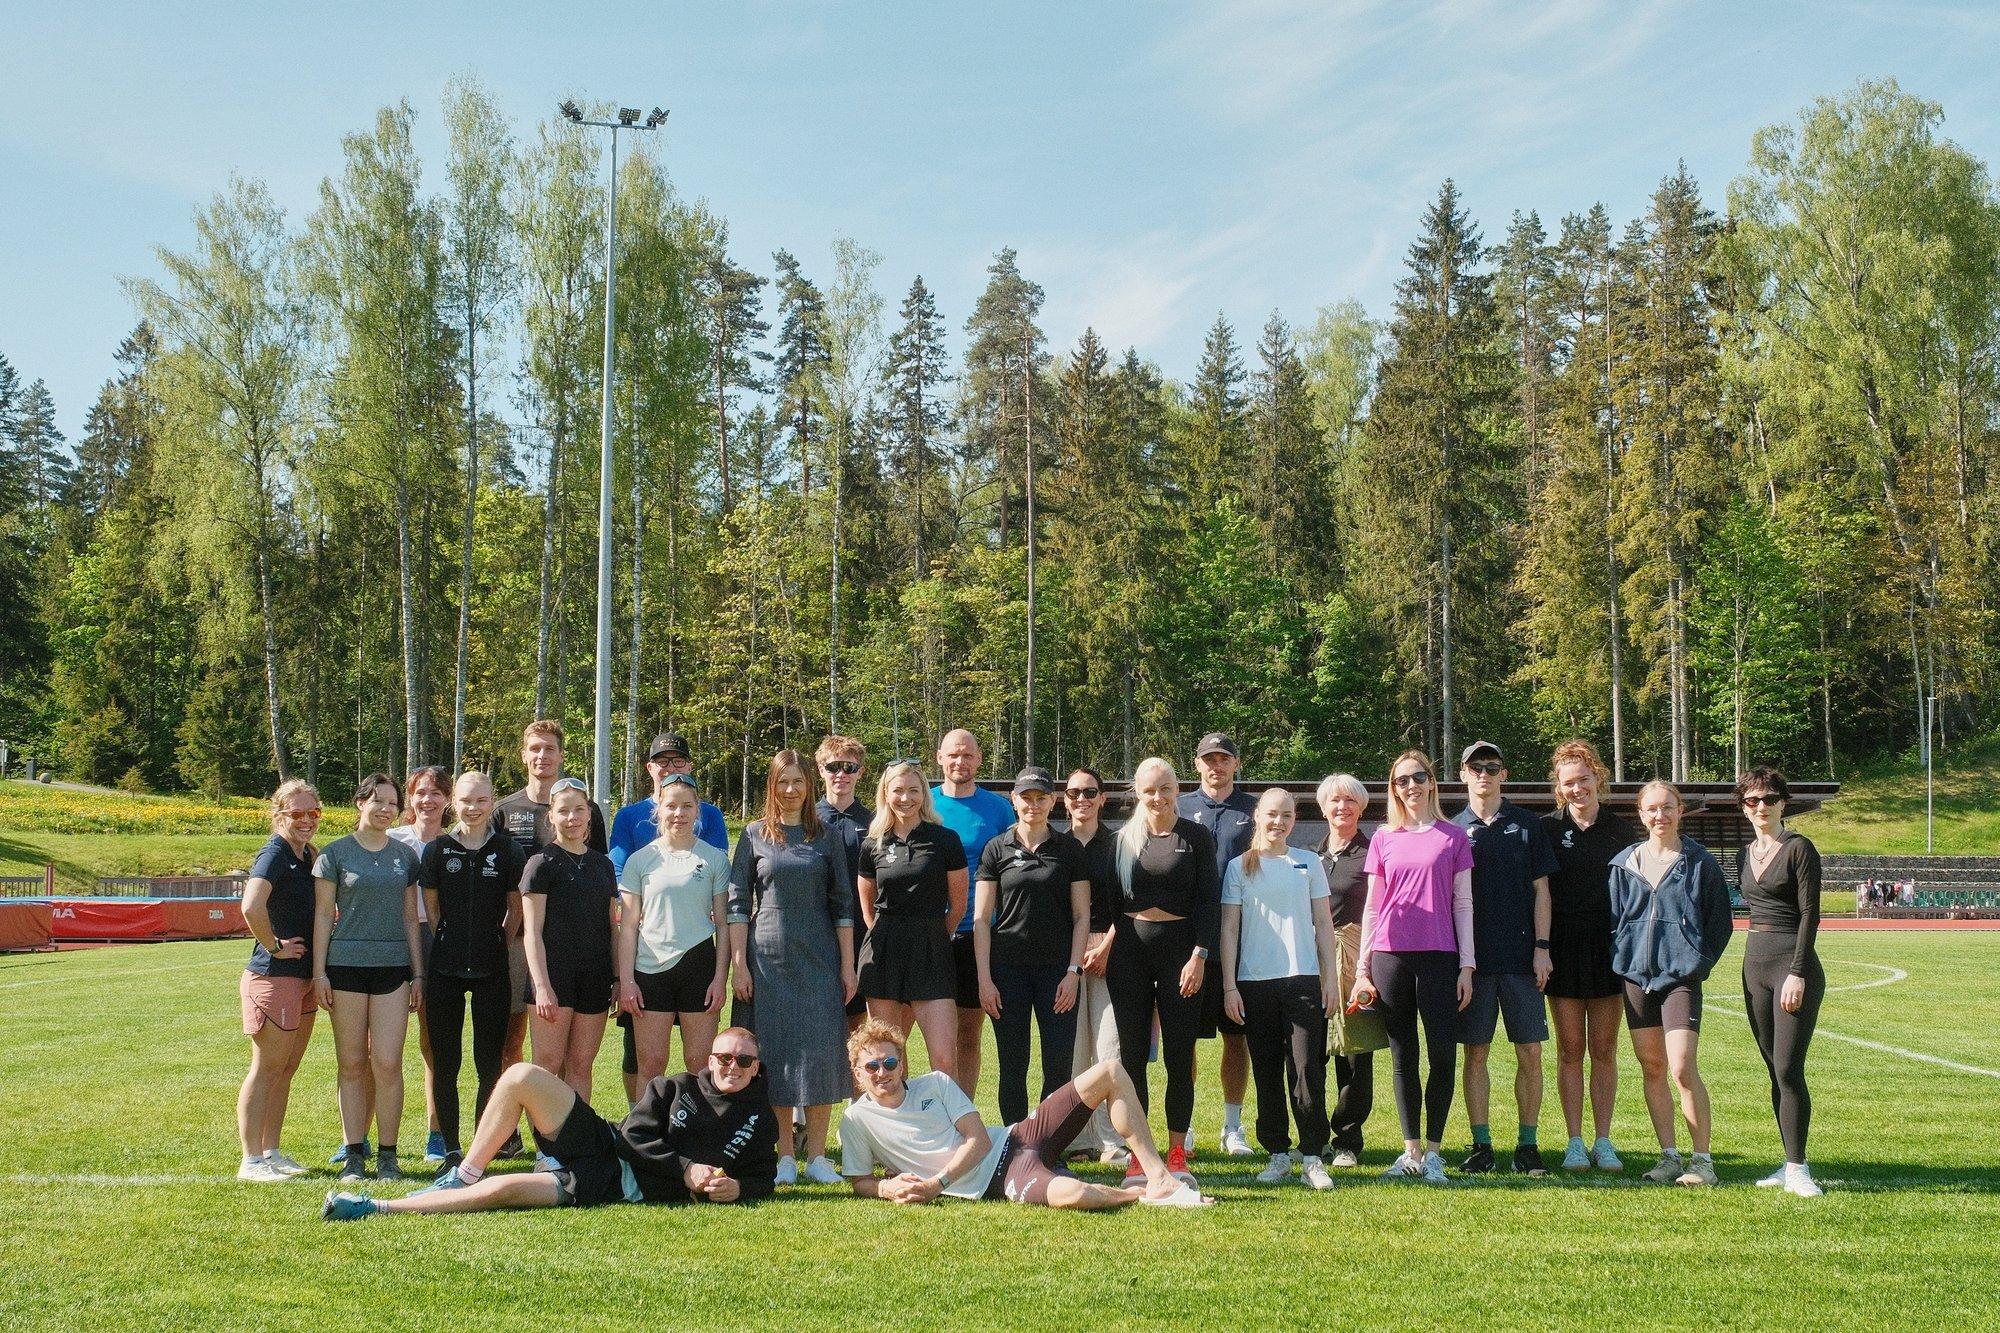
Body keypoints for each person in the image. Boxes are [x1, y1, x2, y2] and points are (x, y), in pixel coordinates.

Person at [321, 1027, 777, 1219]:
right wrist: (684, 1168)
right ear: (709, 1057)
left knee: (504, 1193)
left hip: (612, 1183)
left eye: (743, 1060)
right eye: (723, 1056)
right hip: (606, 1143)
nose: (730, 1066)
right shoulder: (673, 1086)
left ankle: (373, 1208)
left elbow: (764, 1176)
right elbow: (635, 1136)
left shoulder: (759, 1120)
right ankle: (462, 1173)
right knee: (522, 1075)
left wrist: (741, 1189)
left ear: (756, 1067)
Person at [841, 1018, 1210, 1208]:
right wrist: (887, 1188)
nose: (882, 1072)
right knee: (1076, 1196)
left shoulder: (935, 1084)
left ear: (901, 1063)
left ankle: (1158, 1177)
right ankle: (1139, 1195)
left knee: (1110, 1071)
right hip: (1002, 1179)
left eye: (890, 1062)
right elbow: (859, 1180)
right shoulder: (856, 1120)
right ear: (857, 1075)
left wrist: (937, 1184)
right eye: (871, 1066)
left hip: (1017, 1137)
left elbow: (980, 1140)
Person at [728, 749, 857, 1186]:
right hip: (767, 959)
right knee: (777, 1054)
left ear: (809, 786)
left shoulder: (827, 836)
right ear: (771, 785)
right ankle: (784, 1155)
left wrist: (848, 965)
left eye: (797, 782)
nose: (790, 790)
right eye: (782, 782)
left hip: (820, 956)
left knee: (821, 1051)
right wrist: (739, 965)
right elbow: (738, 905)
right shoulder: (753, 835)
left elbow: (843, 906)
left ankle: (818, 1156)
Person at [1346, 750, 1474, 1186]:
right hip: (1390, 958)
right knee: (1403, 1057)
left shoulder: (1453, 837)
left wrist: (1467, 965)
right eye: (1402, 780)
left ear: (1432, 782)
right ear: (1394, 788)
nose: (1411, 786)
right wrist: (1363, 967)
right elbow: (1373, 907)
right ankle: (1411, 1151)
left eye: (1418, 777)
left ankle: (1435, 1153)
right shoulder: (1383, 838)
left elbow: (1463, 902)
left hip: (1441, 958)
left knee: (1442, 1054)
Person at [1607, 780, 1733, 1187]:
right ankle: (1668, 1156)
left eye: (1667, 807)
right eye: (1651, 809)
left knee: (1681, 1067)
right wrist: (1624, 955)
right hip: (1636, 978)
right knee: (1653, 1067)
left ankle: (1703, 1161)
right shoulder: (1623, 864)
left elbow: (1719, 922)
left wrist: (1696, 960)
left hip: (1680, 978)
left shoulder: (1699, 863)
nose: (1660, 815)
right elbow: (1615, 920)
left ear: (1680, 811)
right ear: (1641, 815)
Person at [1105, 756, 1218, 1186]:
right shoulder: (1121, 841)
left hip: (1182, 956)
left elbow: (1209, 899)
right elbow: (1113, 905)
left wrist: (1199, 955)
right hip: (1130, 957)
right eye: (1150, 789)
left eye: (1166, 788)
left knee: (1177, 1055)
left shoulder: (1196, 836)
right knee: (1132, 1059)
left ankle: (1176, 1150)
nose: (1158, 797)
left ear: (1177, 788)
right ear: (1137, 791)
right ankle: (1140, 1153)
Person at [495, 719, 609, 1143]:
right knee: (515, 1043)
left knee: (574, 1059)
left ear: (561, 755)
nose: (542, 756)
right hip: (518, 939)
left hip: (580, 950)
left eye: (550, 749)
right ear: (524, 755)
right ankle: (514, 1134)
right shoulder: (505, 811)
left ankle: (573, 1139)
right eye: (535, 749)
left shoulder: (587, 814)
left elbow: (596, 884)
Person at [1220, 788, 1338, 1189]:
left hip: (1303, 981)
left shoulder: (1308, 863)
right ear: (1258, 816)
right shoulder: (1239, 867)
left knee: (1306, 1068)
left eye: (1286, 815)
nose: (1279, 822)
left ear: (1294, 819)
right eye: (1272, 814)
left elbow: (1324, 925)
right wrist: (1229, 987)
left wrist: (1331, 980)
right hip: (1254, 984)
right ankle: (1276, 1153)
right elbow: (1230, 928)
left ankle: (1311, 1155)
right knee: (1267, 1070)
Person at [1451, 741, 1558, 1177]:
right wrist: (1461, 962)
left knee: (1529, 1053)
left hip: (1520, 961)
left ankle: (1527, 1146)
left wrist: (1542, 948)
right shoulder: (1452, 828)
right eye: (1476, 767)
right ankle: (1481, 1145)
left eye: (1491, 767)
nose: (1483, 774)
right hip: (1473, 963)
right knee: (1475, 1054)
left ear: (1504, 774)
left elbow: (1542, 892)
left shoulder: (1528, 824)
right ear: (1462, 774)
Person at [311, 773, 425, 1183]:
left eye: (392, 803)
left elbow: (412, 919)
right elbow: (323, 915)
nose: (385, 809)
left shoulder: (405, 857)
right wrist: (318, 972)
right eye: (377, 800)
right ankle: (355, 1153)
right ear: (360, 803)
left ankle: (388, 1155)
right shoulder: (334, 854)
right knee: (352, 1063)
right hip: (344, 970)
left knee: (389, 1062)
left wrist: (418, 973)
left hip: (393, 969)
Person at [419, 770, 525, 1173]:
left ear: (491, 801)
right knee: (446, 1062)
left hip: (491, 969)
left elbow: (515, 909)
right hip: (445, 969)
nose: (474, 808)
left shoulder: (508, 850)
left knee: (488, 1063)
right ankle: (449, 1150)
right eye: (466, 800)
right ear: (453, 803)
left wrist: (497, 941)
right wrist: (448, 937)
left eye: (482, 800)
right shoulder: (437, 850)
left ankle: (480, 1149)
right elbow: (432, 910)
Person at [975, 767, 1091, 1127]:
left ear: (1053, 801)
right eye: (1026, 797)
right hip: (1007, 971)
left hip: (1057, 972)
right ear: (1014, 800)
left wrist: (1073, 972)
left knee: (1057, 1063)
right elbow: (981, 919)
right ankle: (1014, 1142)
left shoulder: (1069, 849)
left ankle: (1046, 1142)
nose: (1034, 805)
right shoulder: (997, 848)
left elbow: (1081, 917)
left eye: (1041, 797)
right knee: (1013, 1062)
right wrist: (984, 980)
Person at [1542, 739, 1635, 1175]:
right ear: (1559, 788)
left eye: (1583, 779)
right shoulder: (1546, 830)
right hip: (1561, 951)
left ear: (1597, 777)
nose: (1577, 788)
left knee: (1604, 1048)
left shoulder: (1622, 831)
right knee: (1568, 1050)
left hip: (1607, 952)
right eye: (1568, 783)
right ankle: (1574, 1141)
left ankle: (1604, 1140)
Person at [1736, 767, 1826, 1198]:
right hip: (1754, 966)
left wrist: (1799, 971)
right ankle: (1787, 1159)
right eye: (1751, 801)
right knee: (1774, 1068)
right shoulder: (1744, 852)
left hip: (1792, 966)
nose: (1760, 807)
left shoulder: (1799, 849)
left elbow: (1811, 914)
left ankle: (1798, 1168)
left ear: (1783, 803)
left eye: (1768, 799)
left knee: (1790, 1068)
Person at [855, 760, 966, 1084]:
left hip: (932, 950)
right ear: (885, 794)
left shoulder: (945, 839)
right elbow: (868, 909)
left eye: (913, 790)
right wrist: (891, 937)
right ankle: (894, 1130)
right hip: (884, 953)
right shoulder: (872, 843)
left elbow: (957, 907)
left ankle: (950, 1132)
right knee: (886, 1059)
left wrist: (931, 935)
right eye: (898, 790)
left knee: (944, 1058)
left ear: (924, 794)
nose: (906, 798)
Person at [618, 773, 731, 1084]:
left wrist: (721, 978)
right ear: (659, 810)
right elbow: (628, 927)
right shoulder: (640, 860)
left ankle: (697, 1133)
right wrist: (626, 981)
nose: (678, 813)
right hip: (650, 970)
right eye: (671, 806)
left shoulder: (714, 860)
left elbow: (723, 924)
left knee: (699, 1063)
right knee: (652, 1064)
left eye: (686, 806)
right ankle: (647, 1133)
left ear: (698, 811)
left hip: (699, 968)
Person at [236, 779, 323, 1183]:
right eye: (297, 814)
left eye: (313, 813)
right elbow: (251, 904)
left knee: (286, 1068)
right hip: (275, 976)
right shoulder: (274, 853)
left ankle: (271, 1150)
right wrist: (273, 946)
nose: (306, 821)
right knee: (266, 1068)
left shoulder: (306, 855)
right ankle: (251, 1159)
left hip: (302, 978)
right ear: (279, 815)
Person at [1179, 731, 1259, 1157]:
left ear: (1236, 763)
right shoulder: (1180, 807)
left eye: (1224, 758)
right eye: (1209, 758)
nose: (1216, 766)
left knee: (1236, 1035)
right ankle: (1184, 1125)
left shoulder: (1253, 810)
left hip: (1239, 941)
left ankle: (1232, 1126)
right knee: (1184, 1036)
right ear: (1197, 764)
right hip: (1188, 943)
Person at [521, 777, 618, 1111]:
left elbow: (612, 927)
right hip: (553, 978)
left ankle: (577, 1147)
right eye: (564, 811)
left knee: (580, 1066)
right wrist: (542, 986)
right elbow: (532, 932)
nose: (572, 817)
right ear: (551, 816)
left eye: (579, 809)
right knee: (547, 1064)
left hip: (595, 977)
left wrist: (617, 979)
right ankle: (547, 1150)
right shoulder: (541, 864)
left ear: (590, 815)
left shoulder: (603, 865)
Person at [931, 728, 1014, 1097]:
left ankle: (962, 1114)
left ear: (979, 759)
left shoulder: (999, 809)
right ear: (939, 758)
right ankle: (917, 1115)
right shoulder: (924, 803)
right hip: (929, 932)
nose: (959, 762)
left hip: (977, 933)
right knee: (921, 1033)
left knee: (968, 1032)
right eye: (952, 755)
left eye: (967, 755)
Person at [1064, 766, 1127, 1162]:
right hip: (1067, 958)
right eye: (1074, 794)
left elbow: (1133, 902)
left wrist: (1106, 945)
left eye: (1090, 792)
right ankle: (1075, 1139)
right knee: (1072, 1051)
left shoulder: (1121, 844)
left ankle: (1111, 1140)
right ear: (1064, 800)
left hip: (1113, 953)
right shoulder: (1055, 845)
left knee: (1109, 1049)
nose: (1082, 800)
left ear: (1103, 798)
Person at [1314, 773, 1375, 1168]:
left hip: (1356, 958)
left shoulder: (1373, 853)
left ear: (1361, 807)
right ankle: (1314, 1134)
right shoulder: (1308, 856)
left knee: (1354, 1053)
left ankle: (1348, 1139)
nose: (1343, 808)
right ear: (1323, 808)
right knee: (1310, 1050)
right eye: (1335, 801)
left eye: (1350, 801)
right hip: (1315, 959)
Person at [390, 765, 450, 1166]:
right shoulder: (394, 840)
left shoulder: (457, 842)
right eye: (420, 792)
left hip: (437, 942)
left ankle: (437, 1130)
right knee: (383, 1048)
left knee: (434, 1045)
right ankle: (360, 1137)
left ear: (447, 799)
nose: (427, 800)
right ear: (409, 798)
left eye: (435, 792)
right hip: (392, 941)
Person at [815, 734, 873, 1032]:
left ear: (860, 772)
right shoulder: (805, 820)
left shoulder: (874, 822)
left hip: (862, 935)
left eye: (850, 768)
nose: (841, 775)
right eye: (834, 767)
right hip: (816, 933)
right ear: (821, 769)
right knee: (817, 1020)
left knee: (856, 1026)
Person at [608, 732, 729, 872]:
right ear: (650, 768)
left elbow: (719, 869)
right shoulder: (627, 817)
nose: (671, 768)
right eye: (662, 761)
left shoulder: (710, 814)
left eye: (678, 761)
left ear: (689, 767)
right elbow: (617, 870)